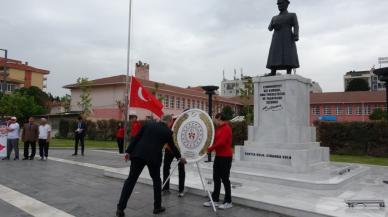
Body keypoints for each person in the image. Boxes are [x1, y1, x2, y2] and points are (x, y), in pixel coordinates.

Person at [116, 115, 187, 217]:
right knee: (157, 181)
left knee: (130, 180)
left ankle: (120, 208)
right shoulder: (167, 132)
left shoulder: (148, 125)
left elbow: (136, 138)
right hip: (153, 159)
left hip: (138, 155)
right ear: (169, 122)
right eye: (171, 123)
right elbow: (172, 147)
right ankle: (157, 207)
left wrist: (128, 152)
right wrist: (180, 158)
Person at [203, 113, 233, 209]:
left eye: (214, 119)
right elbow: (214, 140)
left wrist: (210, 149)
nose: (214, 121)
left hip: (226, 157)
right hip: (219, 156)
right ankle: (215, 199)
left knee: (225, 179)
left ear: (219, 118)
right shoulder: (219, 129)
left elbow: (221, 142)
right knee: (216, 177)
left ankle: (228, 201)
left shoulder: (226, 128)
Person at [266, 0, 299, 76]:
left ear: (287, 4)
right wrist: (274, 24)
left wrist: (296, 35)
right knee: (274, 53)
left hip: (287, 37)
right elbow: (269, 28)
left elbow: (296, 25)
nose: (279, 5)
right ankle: (273, 71)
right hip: (276, 38)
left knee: (288, 53)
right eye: (278, 4)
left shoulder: (292, 15)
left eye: (281, 4)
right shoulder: (274, 17)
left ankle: (288, 71)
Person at [162, 116, 185, 197]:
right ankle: (165, 188)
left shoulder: (186, 123)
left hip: (180, 150)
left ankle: (181, 190)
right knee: (166, 167)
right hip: (170, 148)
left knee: (181, 168)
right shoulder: (175, 120)